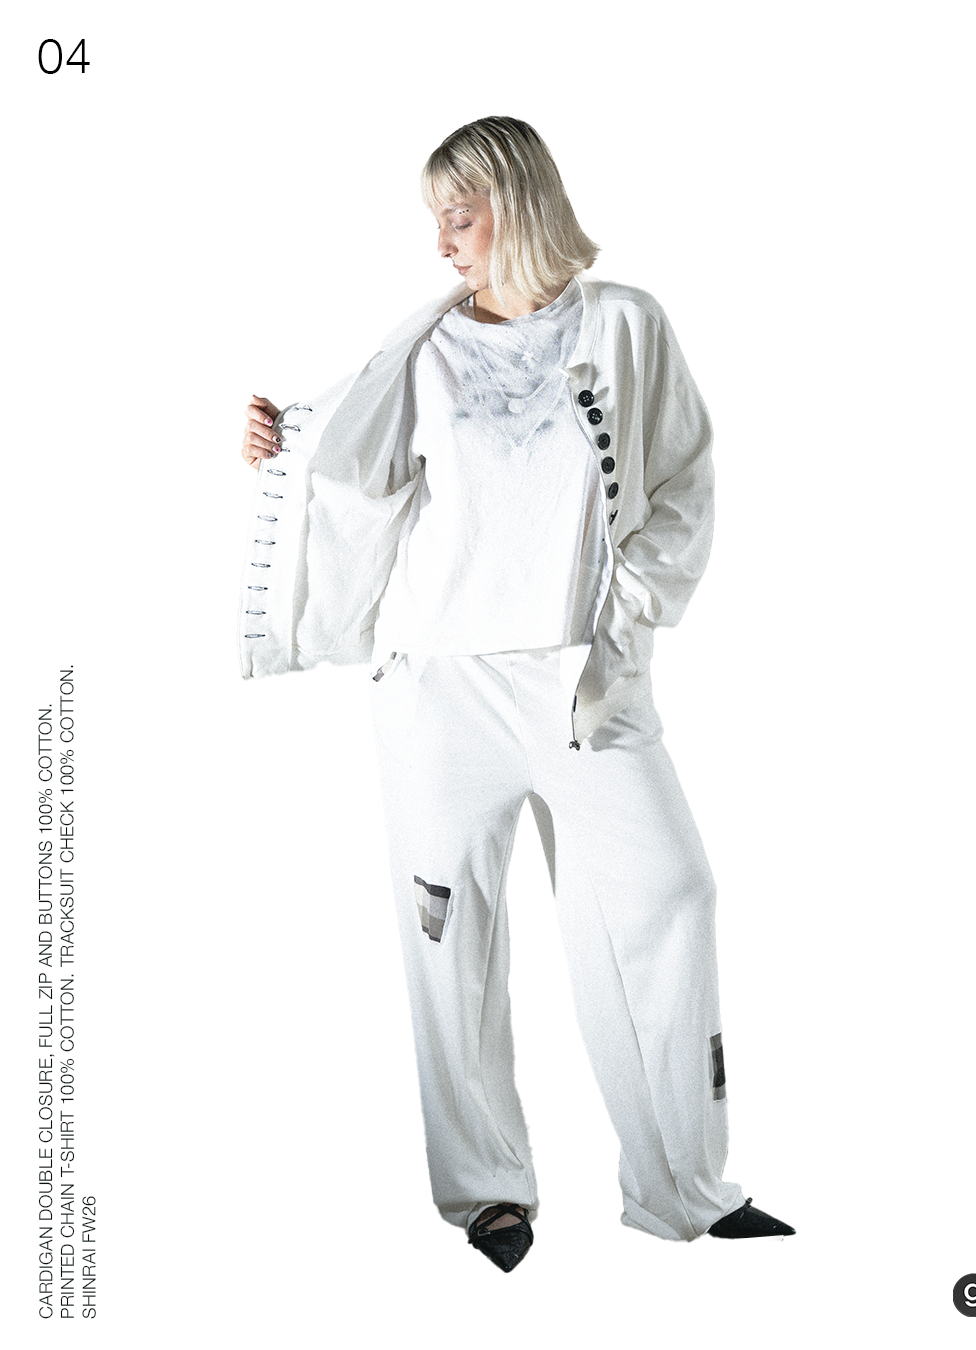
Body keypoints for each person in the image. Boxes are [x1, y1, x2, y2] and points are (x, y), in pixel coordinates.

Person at [238, 115, 793, 1272]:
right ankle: (488, 1195)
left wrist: (631, 618)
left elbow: (683, 482)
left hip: (585, 684)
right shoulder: (421, 351)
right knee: (450, 935)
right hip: (438, 685)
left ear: (521, 201)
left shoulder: (624, 325)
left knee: (671, 895)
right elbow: (340, 467)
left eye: (461, 213)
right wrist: (275, 442)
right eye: (434, 217)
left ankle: (684, 1188)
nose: (442, 240)